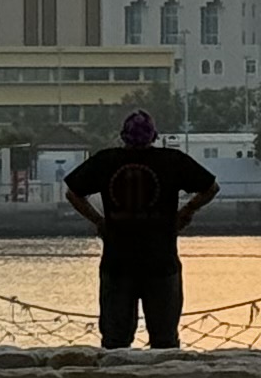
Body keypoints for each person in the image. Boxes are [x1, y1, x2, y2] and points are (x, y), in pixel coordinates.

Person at [62, 110, 220, 347]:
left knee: (115, 342)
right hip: (161, 263)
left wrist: (99, 221)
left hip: (117, 264)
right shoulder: (172, 161)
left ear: (122, 136)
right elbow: (211, 188)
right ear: (154, 136)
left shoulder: (106, 160)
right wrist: (186, 212)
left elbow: (73, 192)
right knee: (165, 341)